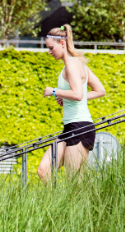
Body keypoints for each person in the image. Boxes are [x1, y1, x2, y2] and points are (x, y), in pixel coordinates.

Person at [37, 24, 106, 181]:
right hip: (69, 128)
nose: (49, 52)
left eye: (51, 48)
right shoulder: (75, 64)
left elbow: (78, 93)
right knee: (43, 170)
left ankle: (86, 205)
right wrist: (67, 96)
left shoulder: (72, 64)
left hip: (80, 127)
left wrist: (54, 91)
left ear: (62, 43)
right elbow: (98, 91)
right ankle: (55, 205)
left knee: (75, 182)